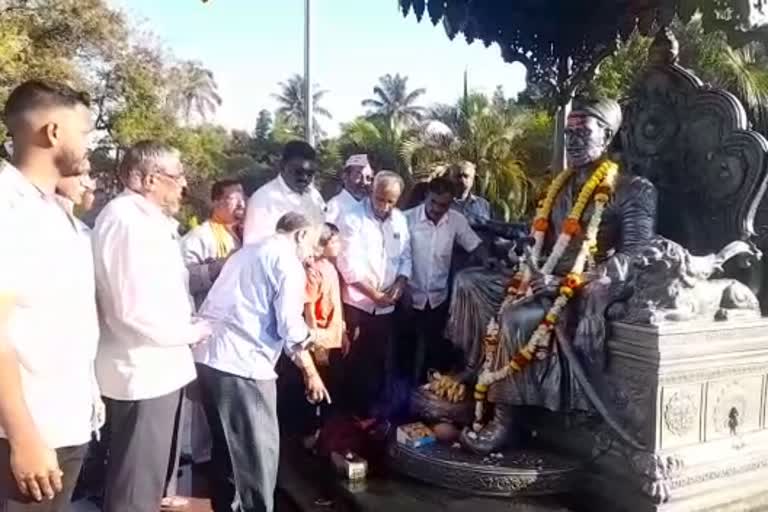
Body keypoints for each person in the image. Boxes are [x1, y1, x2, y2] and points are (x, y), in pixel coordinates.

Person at [439, 98, 657, 455]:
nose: (571, 141)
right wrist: (520, 255)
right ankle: (476, 374)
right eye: (568, 133)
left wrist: (570, 282)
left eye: (582, 133)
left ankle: (505, 418)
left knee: (514, 317)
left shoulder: (634, 189)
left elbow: (637, 256)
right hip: (542, 275)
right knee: (469, 282)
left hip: (584, 286)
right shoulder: (560, 187)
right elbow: (539, 235)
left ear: (605, 135)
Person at [92, 141, 212, 512]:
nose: (183, 185)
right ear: (148, 179)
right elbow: (131, 309)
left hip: (162, 368)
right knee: (134, 491)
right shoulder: (125, 221)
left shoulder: (149, 222)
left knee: (153, 486)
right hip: (142, 371)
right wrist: (190, 332)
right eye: (176, 177)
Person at [0, 80, 100, 512]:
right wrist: (22, 435)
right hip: (28, 436)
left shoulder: (53, 213)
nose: (89, 143)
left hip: (65, 421)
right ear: (53, 132)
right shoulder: (9, 210)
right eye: (85, 131)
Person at [194, 212, 330, 512]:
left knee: (228, 454)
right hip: (244, 366)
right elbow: (290, 326)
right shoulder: (287, 263)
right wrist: (313, 351)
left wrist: (306, 366)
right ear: (299, 235)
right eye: (313, 242)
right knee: (257, 458)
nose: (313, 252)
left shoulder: (248, 252)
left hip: (211, 361)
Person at [336, 171, 412, 423]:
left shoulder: (400, 220)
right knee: (354, 363)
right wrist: (374, 295)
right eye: (381, 199)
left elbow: (405, 257)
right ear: (372, 192)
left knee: (380, 362)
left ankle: (372, 418)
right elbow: (348, 265)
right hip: (358, 304)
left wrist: (400, 284)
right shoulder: (352, 218)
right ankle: (348, 420)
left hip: (387, 306)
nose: (385, 206)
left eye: (391, 201)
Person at [404, 177, 486, 383]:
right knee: (404, 352)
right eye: (433, 202)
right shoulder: (405, 219)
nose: (437, 209)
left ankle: (428, 398)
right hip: (407, 298)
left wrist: (490, 261)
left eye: (444, 205)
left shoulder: (456, 220)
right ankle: (401, 403)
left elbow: (475, 246)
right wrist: (401, 291)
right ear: (426, 197)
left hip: (437, 299)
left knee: (433, 354)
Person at [242, 140, 326, 244]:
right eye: (298, 172)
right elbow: (254, 248)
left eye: (310, 173)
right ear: (282, 166)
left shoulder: (314, 195)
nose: (304, 178)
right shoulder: (263, 199)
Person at [182, 178, 246, 309]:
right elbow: (181, 279)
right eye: (234, 198)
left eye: (243, 198)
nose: (241, 204)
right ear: (215, 203)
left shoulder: (248, 235)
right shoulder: (199, 236)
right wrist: (217, 268)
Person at [325, 154, 373, 223]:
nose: (364, 182)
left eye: (368, 178)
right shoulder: (335, 205)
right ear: (345, 176)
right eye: (359, 176)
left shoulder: (372, 206)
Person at [449, 161, 491, 226]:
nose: (462, 180)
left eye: (466, 176)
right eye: (458, 176)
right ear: (450, 178)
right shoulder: (440, 204)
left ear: (472, 179)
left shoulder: (483, 205)